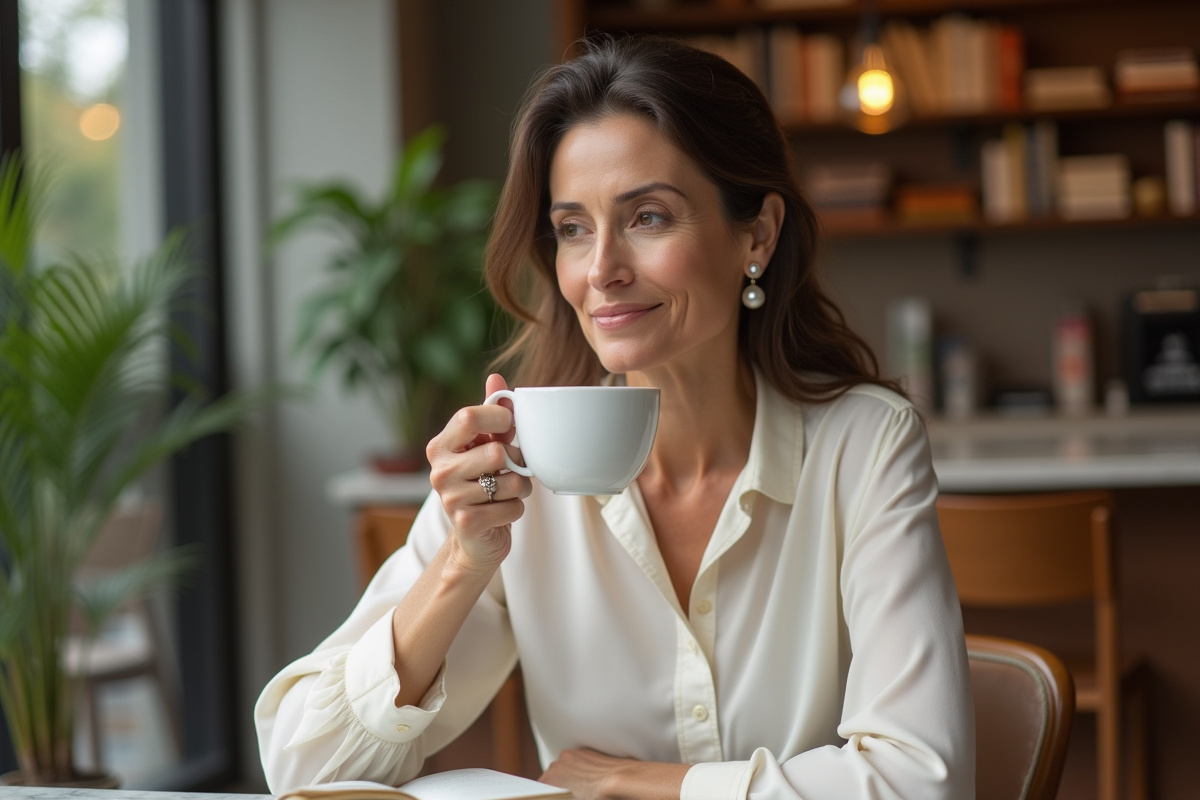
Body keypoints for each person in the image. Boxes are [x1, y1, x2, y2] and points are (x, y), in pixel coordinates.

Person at [256, 36, 974, 800]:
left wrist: (648, 783)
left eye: (650, 217)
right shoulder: (517, 466)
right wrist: (463, 563)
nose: (601, 269)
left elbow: (922, 782)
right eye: (572, 228)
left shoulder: (865, 446)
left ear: (757, 235)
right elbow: (304, 770)